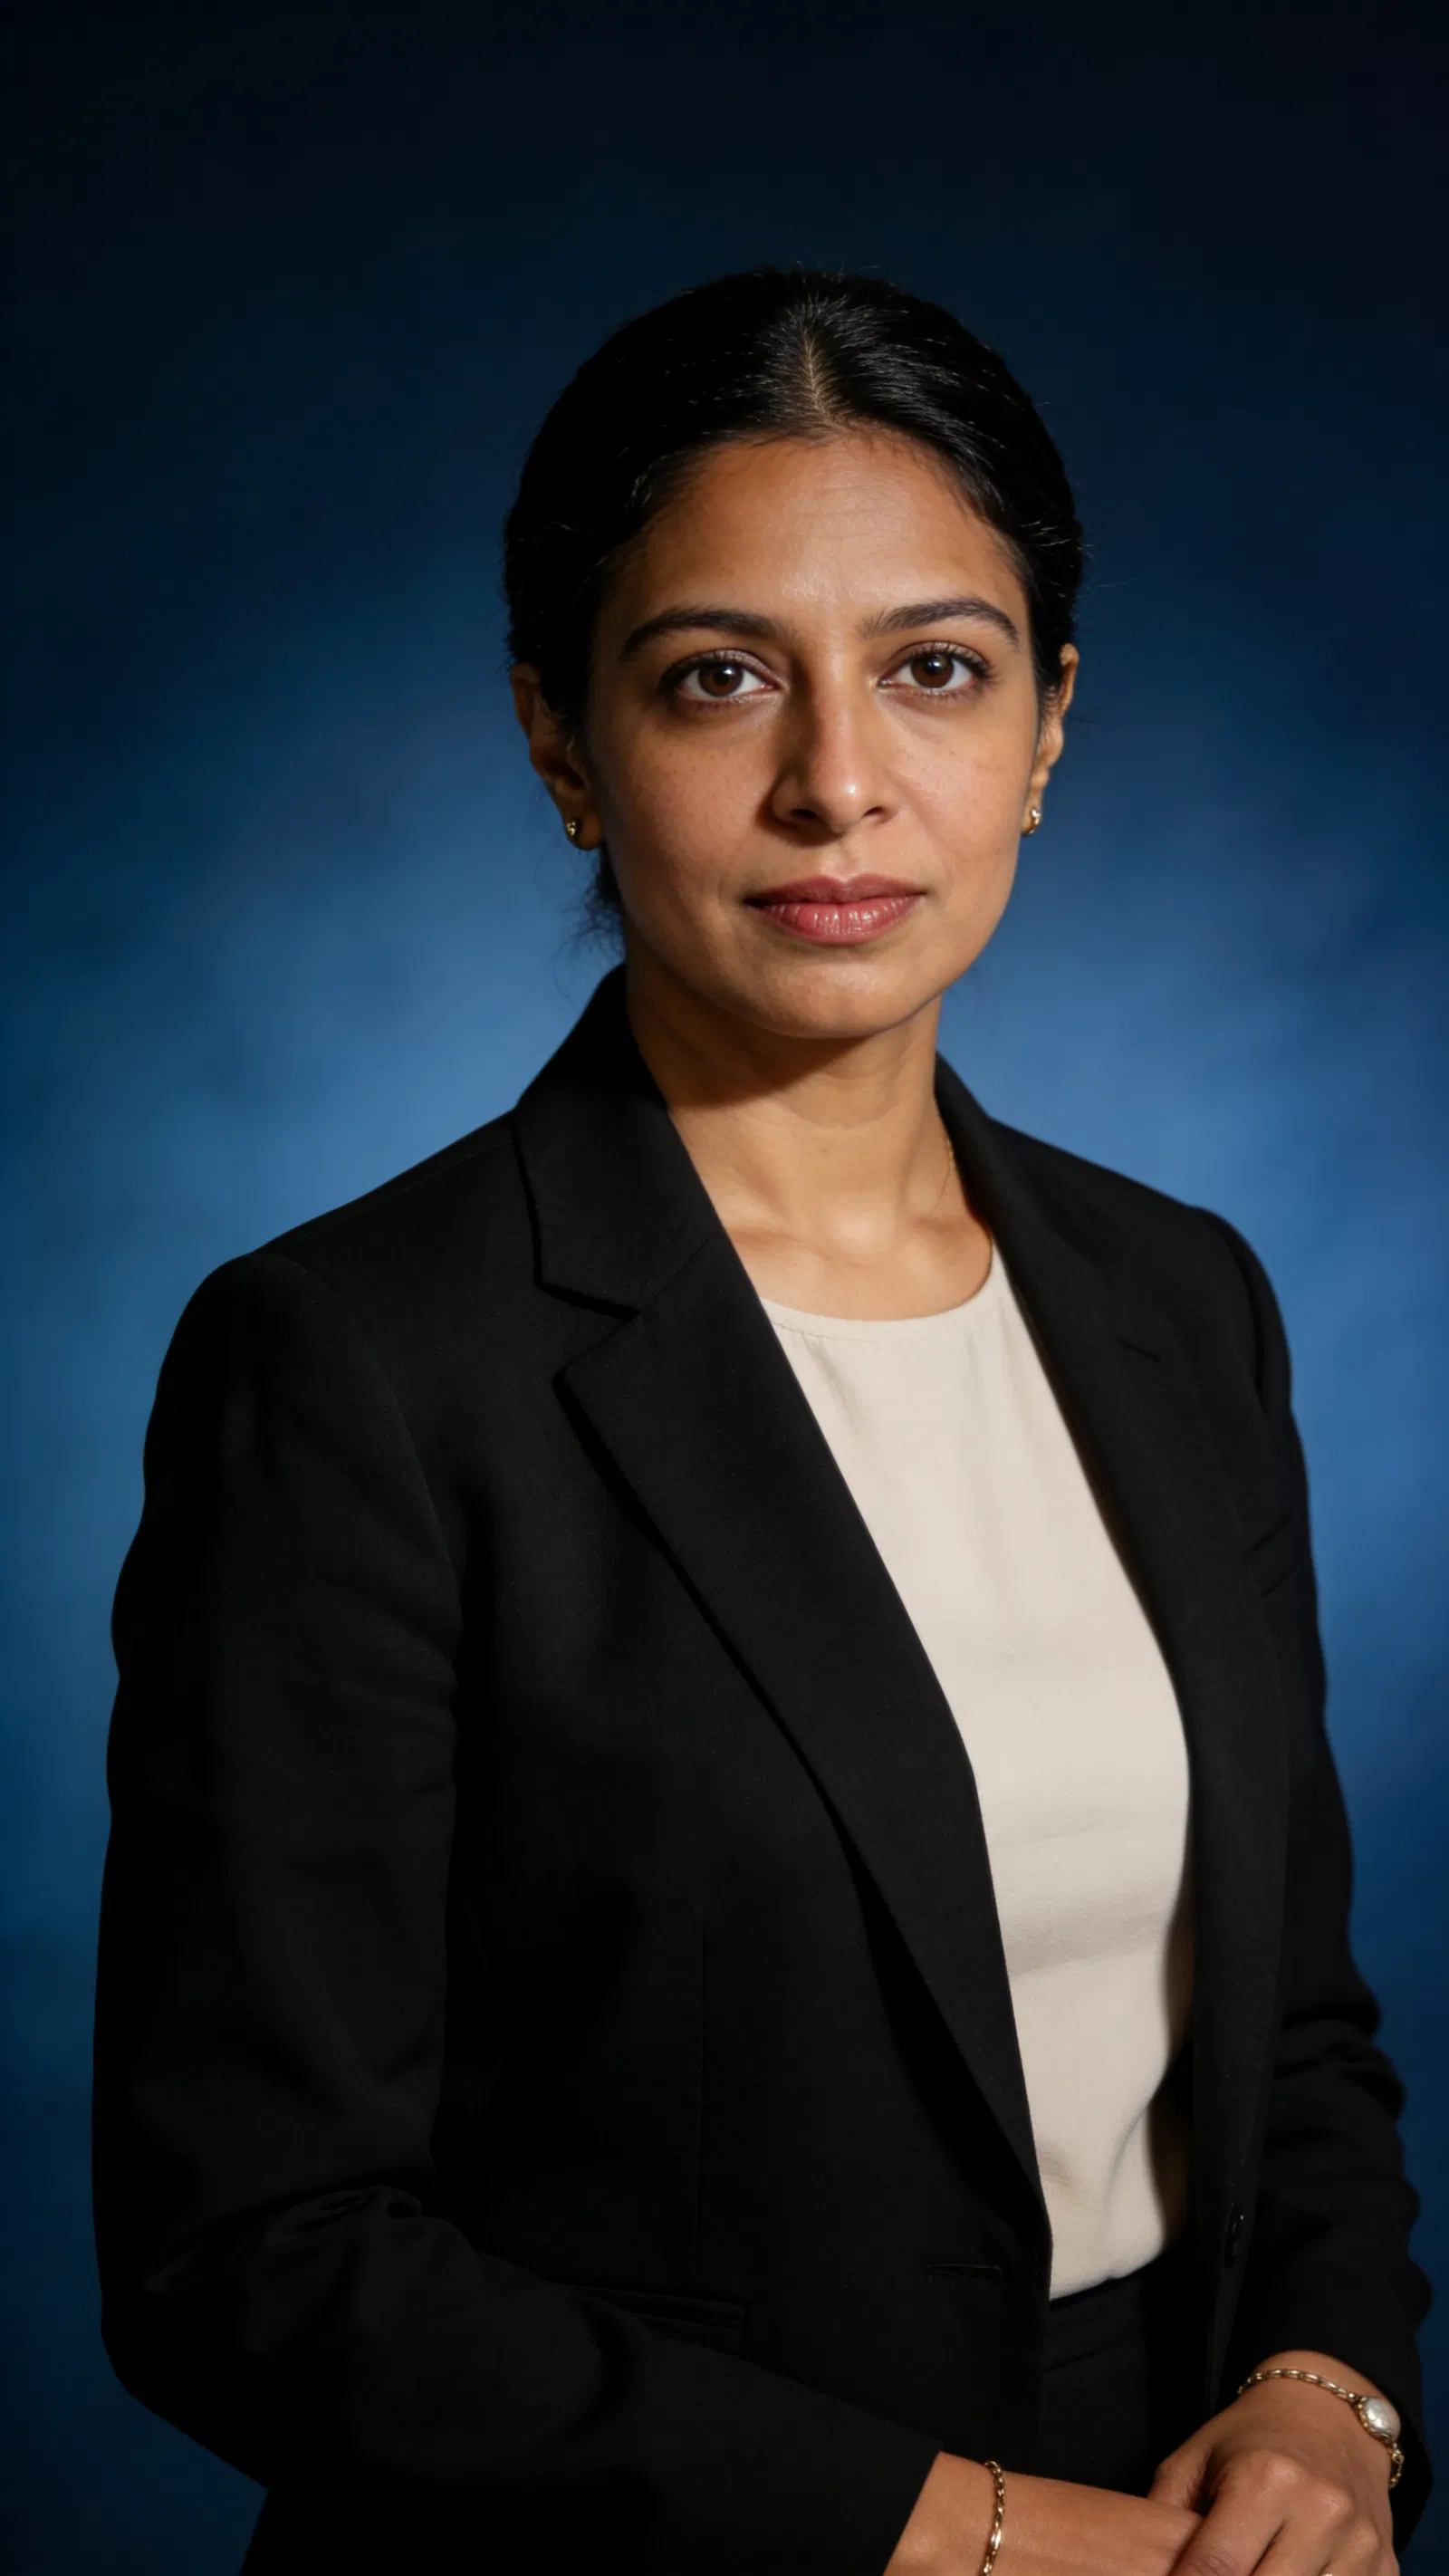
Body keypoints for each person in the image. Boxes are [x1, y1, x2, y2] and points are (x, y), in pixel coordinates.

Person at [93, 268, 1432, 2576]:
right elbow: (260, 2251)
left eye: (934, 668)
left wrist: (1325, 2400)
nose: (838, 779)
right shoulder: (352, 1363)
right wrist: (981, 2540)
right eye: (717, 676)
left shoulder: (1175, 1300)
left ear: (1042, 727)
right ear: (556, 738)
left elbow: (1286, 2028)